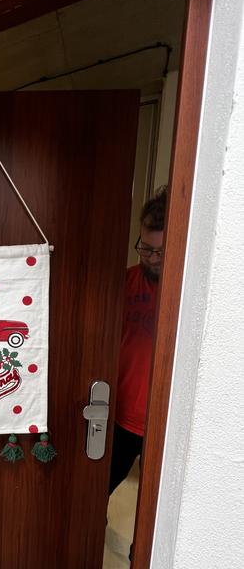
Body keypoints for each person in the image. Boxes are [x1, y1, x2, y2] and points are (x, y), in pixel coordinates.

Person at [108, 186, 166, 496]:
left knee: (155, 506)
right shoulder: (124, 283)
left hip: (164, 424)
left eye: (161, 251)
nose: (152, 258)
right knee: (98, 491)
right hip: (120, 417)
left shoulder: (186, 293)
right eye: (146, 248)